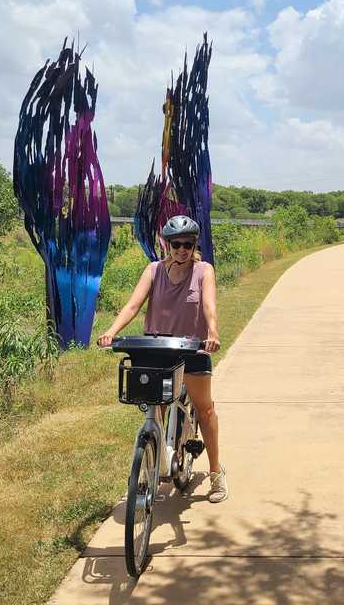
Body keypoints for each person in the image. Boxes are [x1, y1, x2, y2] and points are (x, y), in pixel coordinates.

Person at [97, 215, 228, 503]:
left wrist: (213, 332)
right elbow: (133, 304)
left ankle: (217, 474)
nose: (182, 250)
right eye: (176, 244)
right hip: (157, 348)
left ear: (194, 245)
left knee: (204, 411)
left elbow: (208, 305)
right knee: (154, 408)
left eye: (187, 244)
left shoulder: (204, 270)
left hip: (192, 348)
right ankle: (151, 470)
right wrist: (111, 331)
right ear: (165, 244)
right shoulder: (153, 270)